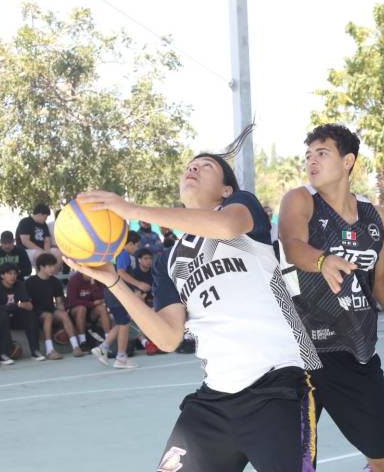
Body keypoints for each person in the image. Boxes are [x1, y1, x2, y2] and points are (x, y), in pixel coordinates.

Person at [63, 124, 322, 472]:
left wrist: (132, 210)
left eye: (207, 166)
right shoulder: (169, 260)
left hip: (279, 385)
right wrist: (113, 282)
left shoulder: (242, 211)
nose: (193, 168)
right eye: (190, 165)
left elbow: (226, 228)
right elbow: (169, 337)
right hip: (214, 401)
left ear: (226, 189)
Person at [279, 124, 384, 472]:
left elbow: (382, 283)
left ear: (347, 160)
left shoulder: (373, 215)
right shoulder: (300, 199)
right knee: (290, 464)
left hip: (356, 353)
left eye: (321, 153)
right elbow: (293, 246)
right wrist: (323, 261)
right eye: (308, 155)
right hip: (299, 355)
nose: (311, 160)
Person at [90, 230, 144, 369]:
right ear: (130, 244)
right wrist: (138, 285)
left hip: (113, 293)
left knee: (122, 323)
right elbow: (121, 273)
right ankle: (120, 357)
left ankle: (104, 347)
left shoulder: (116, 254)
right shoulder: (124, 254)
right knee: (124, 324)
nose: (136, 248)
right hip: (117, 294)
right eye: (136, 245)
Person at [25, 253, 85, 359]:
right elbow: (28, 303)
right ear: (41, 267)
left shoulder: (55, 282)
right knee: (48, 316)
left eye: (53, 265)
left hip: (50, 309)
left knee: (63, 315)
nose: (53, 268)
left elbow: (59, 303)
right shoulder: (30, 282)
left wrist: (63, 312)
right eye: (50, 266)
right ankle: (49, 350)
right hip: (36, 313)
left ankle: (76, 347)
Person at [0, 263, 45, 362]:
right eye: (9, 273)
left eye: (15, 273)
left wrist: (28, 304)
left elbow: (26, 303)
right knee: (3, 315)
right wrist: (17, 305)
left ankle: (35, 351)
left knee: (30, 315)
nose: (13, 276)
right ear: (2, 275)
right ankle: (2, 355)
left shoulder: (19, 284)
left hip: (12, 317)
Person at [65, 271, 111, 352]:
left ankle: (109, 340)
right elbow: (72, 301)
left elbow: (101, 297)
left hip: (91, 310)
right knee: (81, 309)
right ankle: (83, 341)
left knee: (102, 308)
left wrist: (93, 284)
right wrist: (91, 303)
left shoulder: (96, 279)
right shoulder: (74, 280)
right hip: (76, 311)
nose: (91, 273)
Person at [15, 203, 62, 272]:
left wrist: (48, 252)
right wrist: (42, 251)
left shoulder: (44, 225)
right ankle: (40, 277)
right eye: (45, 217)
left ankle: (54, 275)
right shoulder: (25, 222)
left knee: (57, 253)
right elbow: (25, 241)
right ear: (40, 215)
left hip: (42, 250)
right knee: (40, 255)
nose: (46, 219)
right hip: (27, 251)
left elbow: (47, 241)